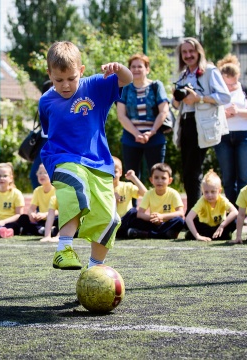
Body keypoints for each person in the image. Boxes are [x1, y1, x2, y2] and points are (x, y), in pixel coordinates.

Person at [39, 41, 133, 270]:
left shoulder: (95, 86)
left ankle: (93, 269)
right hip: (62, 158)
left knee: (109, 219)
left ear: (81, 71)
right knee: (75, 184)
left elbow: (127, 79)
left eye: (71, 78)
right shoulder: (45, 102)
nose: (66, 85)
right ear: (49, 73)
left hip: (99, 163)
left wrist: (119, 68)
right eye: (58, 80)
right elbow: (48, 133)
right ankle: (64, 249)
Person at [171, 38, 231, 216]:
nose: (188, 55)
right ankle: (194, 214)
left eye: (192, 51)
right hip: (185, 123)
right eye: (184, 52)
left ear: (199, 52)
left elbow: (225, 97)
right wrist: (177, 98)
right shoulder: (182, 74)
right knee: (188, 172)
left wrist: (200, 98)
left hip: (202, 124)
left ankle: (194, 216)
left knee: (193, 171)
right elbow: (176, 104)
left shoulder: (210, 71)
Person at [116, 53, 170, 187]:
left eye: (140, 66)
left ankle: (158, 206)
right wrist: (136, 134)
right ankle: (132, 207)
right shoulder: (125, 89)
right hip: (131, 137)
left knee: (158, 174)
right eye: (133, 67)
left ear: (147, 69)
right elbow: (121, 115)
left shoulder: (156, 86)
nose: (136, 69)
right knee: (131, 175)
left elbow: (164, 110)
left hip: (155, 136)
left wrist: (151, 132)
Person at [214, 54, 247, 205]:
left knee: (244, 177)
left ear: (238, 76)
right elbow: (211, 115)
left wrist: (238, 112)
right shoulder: (216, 92)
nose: (230, 88)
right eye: (227, 85)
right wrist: (224, 115)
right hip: (223, 136)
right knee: (228, 177)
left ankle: (244, 211)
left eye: (233, 85)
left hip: (244, 136)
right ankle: (232, 212)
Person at [126, 163, 185, 239]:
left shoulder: (173, 193)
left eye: (163, 178)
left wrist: (162, 216)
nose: (159, 181)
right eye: (156, 178)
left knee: (180, 221)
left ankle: (147, 234)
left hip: (168, 223)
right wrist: (152, 218)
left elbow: (180, 213)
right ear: (151, 180)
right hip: (153, 223)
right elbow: (140, 214)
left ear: (170, 180)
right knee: (134, 219)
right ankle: (165, 234)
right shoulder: (149, 194)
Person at [185, 169, 238, 241]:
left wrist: (222, 225)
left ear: (219, 191)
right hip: (205, 228)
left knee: (235, 220)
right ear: (202, 191)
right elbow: (188, 218)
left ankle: (224, 234)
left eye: (213, 192)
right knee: (193, 224)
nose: (209, 195)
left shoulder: (222, 200)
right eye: (206, 192)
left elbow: (235, 212)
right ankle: (198, 235)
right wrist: (197, 236)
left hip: (219, 227)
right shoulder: (202, 201)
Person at [112, 156, 147, 238]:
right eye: (109, 172)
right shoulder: (103, 189)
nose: (112, 174)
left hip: (127, 219)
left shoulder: (127, 186)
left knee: (134, 213)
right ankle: (127, 232)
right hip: (112, 222)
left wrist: (133, 178)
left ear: (120, 172)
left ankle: (131, 232)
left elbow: (145, 194)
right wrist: (112, 199)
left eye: (115, 171)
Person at [17, 164, 57, 236]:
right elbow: (31, 209)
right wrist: (32, 214)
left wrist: (45, 214)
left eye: (45, 172)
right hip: (41, 220)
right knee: (23, 218)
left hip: (53, 218)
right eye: (40, 173)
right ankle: (43, 230)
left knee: (62, 220)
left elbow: (60, 211)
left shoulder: (57, 190)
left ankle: (44, 230)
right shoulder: (37, 190)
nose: (42, 175)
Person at [29, 80, 54, 189]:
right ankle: (38, 204)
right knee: (35, 174)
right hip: (45, 141)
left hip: (60, 142)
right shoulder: (43, 103)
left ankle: (55, 202)